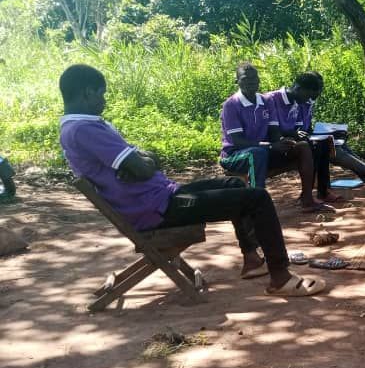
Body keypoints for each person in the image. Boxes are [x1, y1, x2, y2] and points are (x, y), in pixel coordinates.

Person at [57, 64, 324, 296]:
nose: (104, 100)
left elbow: (146, 161)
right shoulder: (84, 129)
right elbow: (142, 168)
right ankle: (281, 277)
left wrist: (143, 160)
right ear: (87, 92)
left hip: (162, 196)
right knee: (258, 197)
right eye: (101, 94)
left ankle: (252, 260)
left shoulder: (81, 127)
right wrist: (142, 161)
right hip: (157, 208)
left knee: (235, 185)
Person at [266, 72, 365, 201]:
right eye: (310, 96)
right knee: (326, 146)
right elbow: (274, 131)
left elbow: (301, 129)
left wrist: (330, 133)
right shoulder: (272, 99)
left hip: (293, 141)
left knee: (330, 142)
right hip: (278, 146)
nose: (309, 100)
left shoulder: (297, 101)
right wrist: (295, 134)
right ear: (299, 89)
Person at [219, 62, 311, 195]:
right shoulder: (231, 105)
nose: (251, 82)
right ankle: (257, 201)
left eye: (254, 78)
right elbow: (238, 142)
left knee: (302, 146)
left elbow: (274, 132)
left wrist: (282, 141)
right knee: (256, 153)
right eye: (246, 79)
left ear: (259, 80)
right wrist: (271, 146)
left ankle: (308, 199)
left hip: (262, 151)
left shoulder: (266, 101)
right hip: (234, 155)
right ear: (237, 82)